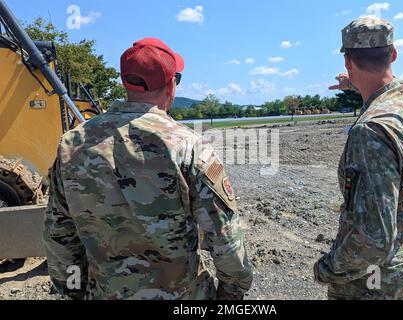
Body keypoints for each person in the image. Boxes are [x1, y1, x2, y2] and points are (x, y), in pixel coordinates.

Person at [43, 38, 253, 300]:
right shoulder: (189, 146)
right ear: (171, 84)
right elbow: (224, 238)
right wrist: (232, 291)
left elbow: (60, 237)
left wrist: (73, 290)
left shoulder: (71, 145)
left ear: (125, 82)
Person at [314, 17, 403, 300]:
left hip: (376, 280)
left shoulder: (371, 131)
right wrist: (353, 84)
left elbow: (373, 240)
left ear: (348, 62)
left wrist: (326, 269)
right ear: (394, 54)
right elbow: (389, 90)